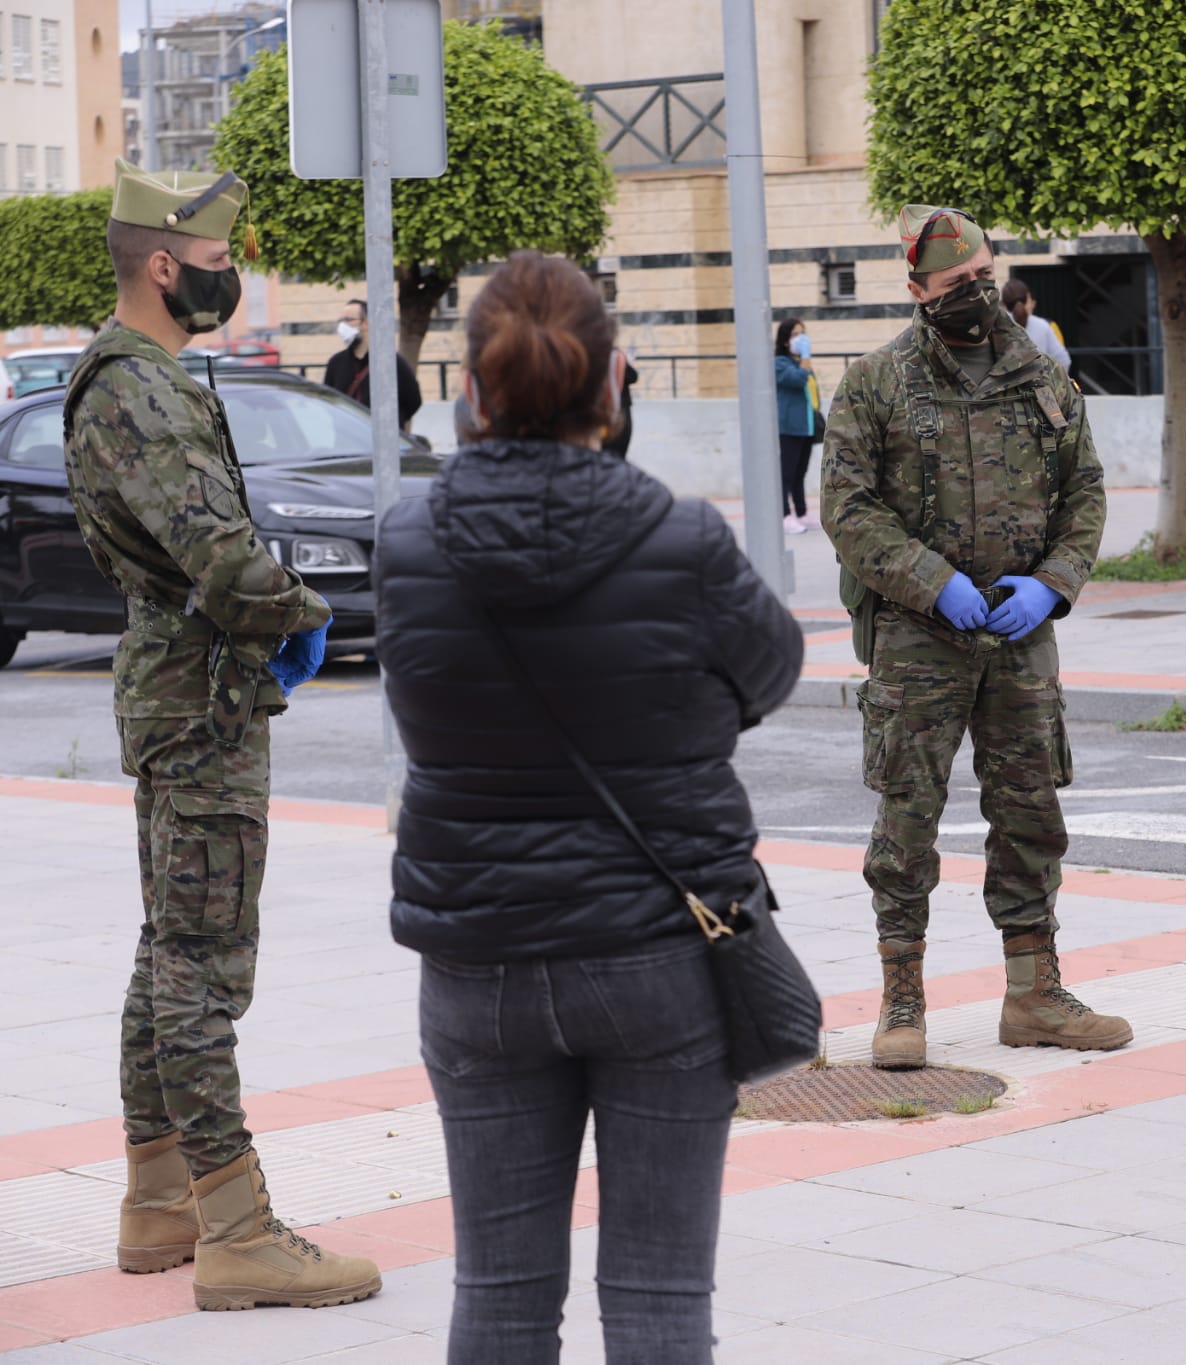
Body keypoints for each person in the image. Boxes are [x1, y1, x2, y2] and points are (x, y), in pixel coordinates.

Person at [375, 252, 805, 1362]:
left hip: (475, 962)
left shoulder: (408, 544)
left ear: (470, 392)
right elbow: (768, 677)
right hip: (658, 954)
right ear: (615, 382)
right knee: (661, 1298)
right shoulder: (685, 540)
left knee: (500, 1293)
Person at [61, 160, 375, 1311]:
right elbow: (224, 556)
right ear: (161, 265)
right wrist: (306, 612)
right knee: (203, 965)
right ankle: (238, 1228)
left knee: (169, 950)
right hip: (202, 696)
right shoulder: (137, 385)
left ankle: (160, 1203)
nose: (227, 278)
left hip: (184, 686)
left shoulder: (138, 378)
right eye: (212, 263)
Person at [822, 204, 1127, 1072]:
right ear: (917, 290)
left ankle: (1034, 992)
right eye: (957, 284)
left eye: (986, 275)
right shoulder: (878, 384)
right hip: (919, 640)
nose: (976, 294)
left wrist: (1054, 585)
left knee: (1031, 809)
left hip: (1019, 635)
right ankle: (902, 1000)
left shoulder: (1041, 376)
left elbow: (1086, 493)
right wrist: (933, 583)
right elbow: (847, 507)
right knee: (909, 817)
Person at [321, 298, 423, 433]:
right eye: (341, 321)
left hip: (383, 439)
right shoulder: (336, 362)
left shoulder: (391, 362)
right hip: (348, 440)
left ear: (366, 323)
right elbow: (329, 401)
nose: (343, 326)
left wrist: (393, 422)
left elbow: (413, 400)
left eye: (348, 320)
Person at [775, 317, 818, 532]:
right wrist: (806, 357)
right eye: (794, 335)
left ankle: (801, 512)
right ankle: (784, 515)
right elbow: (798, 380)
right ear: (785, 340)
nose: (800, 339)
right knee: (786, 473)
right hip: (789, 426)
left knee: (800, 472)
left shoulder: (799, 362)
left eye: (802, 333)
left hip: (805, 426)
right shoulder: (780, 363)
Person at [1001, 278, 1072, 372]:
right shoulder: (1043, 326)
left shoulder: (996, 327)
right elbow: (1064, 361)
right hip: (1040, 384)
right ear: (1027, 299)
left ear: (1004, 304)